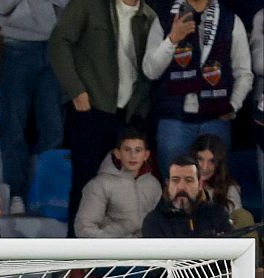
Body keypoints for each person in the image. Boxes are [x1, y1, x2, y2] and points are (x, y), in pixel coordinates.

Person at [49, 0, 155, 232]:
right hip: (90, 109)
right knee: (85, 185)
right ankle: (75, 259)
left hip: (128, 115)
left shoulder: (149, 17)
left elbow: (149, 69)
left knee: (125, 192)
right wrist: (75, 90)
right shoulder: (88, 5)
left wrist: (140, 111)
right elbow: (59, 42)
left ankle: (116, 262)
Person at [141, 0, 251, 174]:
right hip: (174, 120)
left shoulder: (230, 20)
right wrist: (172, 39)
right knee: (175, 187)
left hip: (216, 119)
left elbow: (244, 72)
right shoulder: (164, 19)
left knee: (215, 187)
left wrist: (233, 105)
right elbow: (150, 71)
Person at [0, 0, 66, 215]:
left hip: (54, 47)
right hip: (17, 46)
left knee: (53, 127)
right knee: (14, 126)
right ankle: (17, 193)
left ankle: (45, 193)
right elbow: (1, 5)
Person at [75, 128, 161, 237]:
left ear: (146, 155)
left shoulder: (154, 185)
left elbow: (158, 225)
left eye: (138, 150)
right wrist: (114, 246)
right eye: (127, 150)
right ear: (117, 153)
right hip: (110, 250)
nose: (133, 155)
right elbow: (84, 227)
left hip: (144, 250)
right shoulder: (99, 185)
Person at [140, 153, 231, 236]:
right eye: (175, 180)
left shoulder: (217, 214)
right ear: (168, 184)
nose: (181, 187)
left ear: (200, 185)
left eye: (189, 180)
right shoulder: (153, 221)